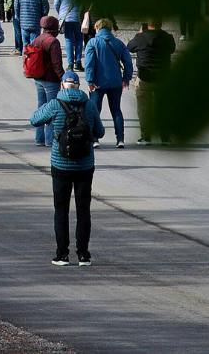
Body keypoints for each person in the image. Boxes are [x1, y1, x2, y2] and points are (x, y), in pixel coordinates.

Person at [30, 70, 104, 266]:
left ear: (62, 85)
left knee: (61, 210)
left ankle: (62, 254)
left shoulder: (55, 104)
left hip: (60, 164)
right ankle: (83, 254)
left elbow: (34, 119)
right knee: (83, 210)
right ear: (78, 86)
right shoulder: (88, 105)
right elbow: (100, 131)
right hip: (85, 165)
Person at [83, 17, 134, 147]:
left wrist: (89, 80)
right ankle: (120, 139)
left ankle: (94, 139)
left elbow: (89, 64)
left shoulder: (92, 42)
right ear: (110, 28)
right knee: (116, 110)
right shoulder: (118, 43)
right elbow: (128, 62)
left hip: (97, 82)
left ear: (97, 28)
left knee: (95, 110)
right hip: (115, 82)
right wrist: (126, 78)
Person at [127, 20, 176, 144]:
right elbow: (172, 49)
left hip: (145, 76)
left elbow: (129, 47)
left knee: (144, 108)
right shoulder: (167, 37)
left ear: (147, 25)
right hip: (163, 76)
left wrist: (139, 34)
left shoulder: (140, 38)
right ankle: (165, 137)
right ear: (161, 24)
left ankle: (146, 136)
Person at [26, 16, 64, 145]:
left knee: (41, 108)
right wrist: (63, 79)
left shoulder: (37, 39)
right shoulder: (53, 42)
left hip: (38, 78)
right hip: (51, 80)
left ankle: (39, 138)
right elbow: (56, 64)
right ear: (54, 28)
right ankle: (49, 140)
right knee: (52, 109)